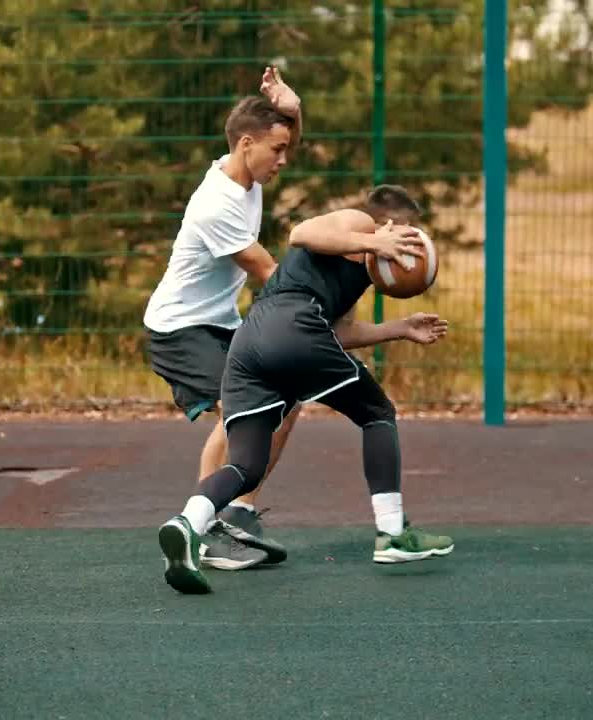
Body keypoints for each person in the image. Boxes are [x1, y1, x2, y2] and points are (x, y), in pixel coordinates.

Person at [156, 184, 455, 595]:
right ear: (390, 225)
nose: (409, 250)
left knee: (247, 465)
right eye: (408, 237)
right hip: (290, 326)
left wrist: (399, 329)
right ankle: (393, 534)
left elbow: (338, 331)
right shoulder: (357, 223)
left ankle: (187, 523)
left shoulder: (355, 270)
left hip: (252, 342)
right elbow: (301, 232)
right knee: (377, 413)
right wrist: (375, 238)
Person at [142, 68, 304, 571]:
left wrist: (293, 111)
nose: (283, 159)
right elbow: (268, 273)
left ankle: (240, 511)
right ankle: (205, 531)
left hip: (218, 322)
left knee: (289, 393)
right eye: (277, 151)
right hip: (179, 330)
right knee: (240, 409)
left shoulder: (244, 171)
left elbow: (280, 133)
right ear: (246, 143)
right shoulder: (217, 205)